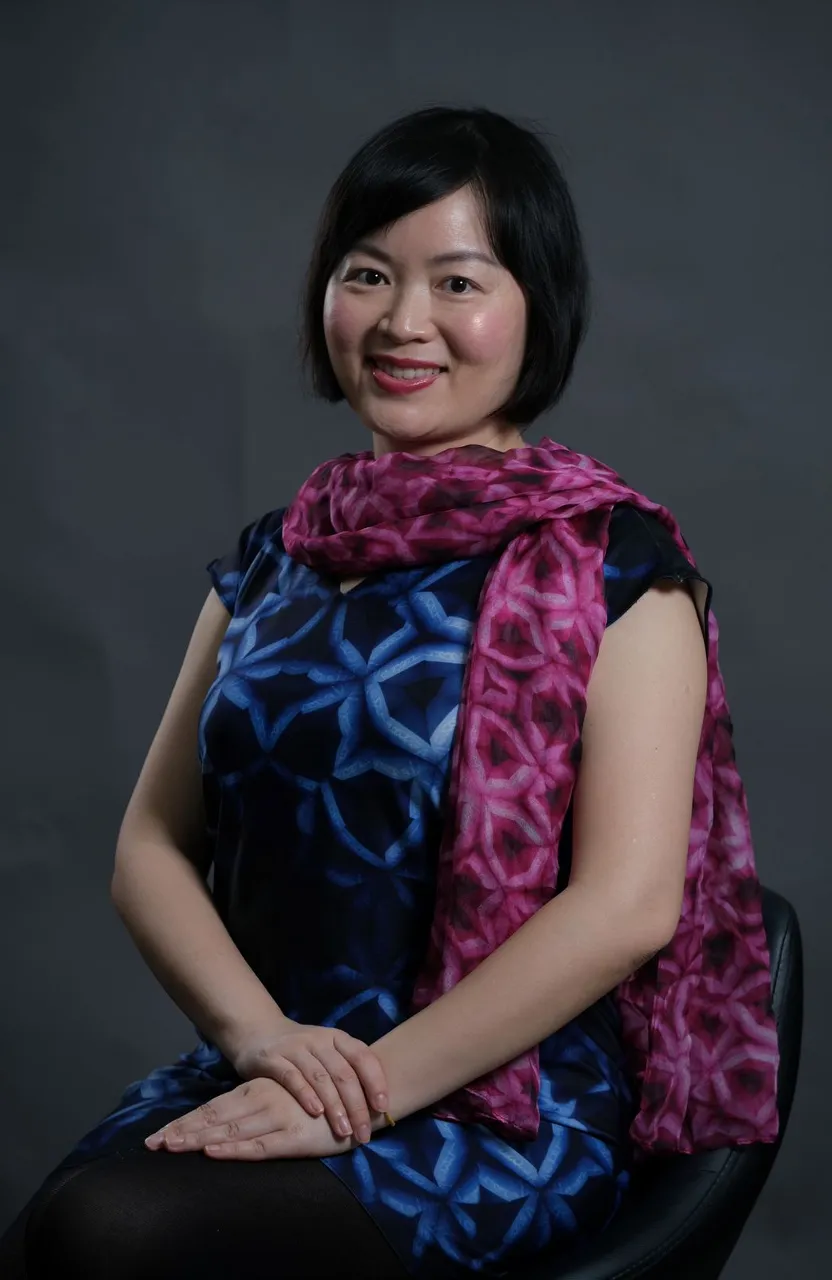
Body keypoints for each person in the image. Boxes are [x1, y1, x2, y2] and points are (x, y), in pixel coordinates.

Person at [0, 105, 763, 1279]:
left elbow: (625, 904)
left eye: (457, 281)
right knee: (63, 1236)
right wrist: (263, 1046)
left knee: (109, 1238)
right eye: (367, 274)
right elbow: (149, 844)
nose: (404, 322)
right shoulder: (279, 556)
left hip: (497, 1113)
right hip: (274, 1065)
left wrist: (362, 1094)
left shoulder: (620, 571)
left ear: (534, 309)